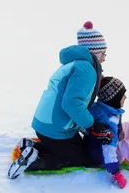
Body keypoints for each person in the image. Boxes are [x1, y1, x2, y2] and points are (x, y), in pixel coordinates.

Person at [8, 21, 109, 179]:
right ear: (95, 52)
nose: (104, 58)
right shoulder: (86, 69)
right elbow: (72, 103)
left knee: (78, 147)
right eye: (104, 53)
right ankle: (32, 162)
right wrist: (92, 125)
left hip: (45, 123)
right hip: (56, 129)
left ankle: (32, 146)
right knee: (81, 159)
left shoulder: (74, 65)